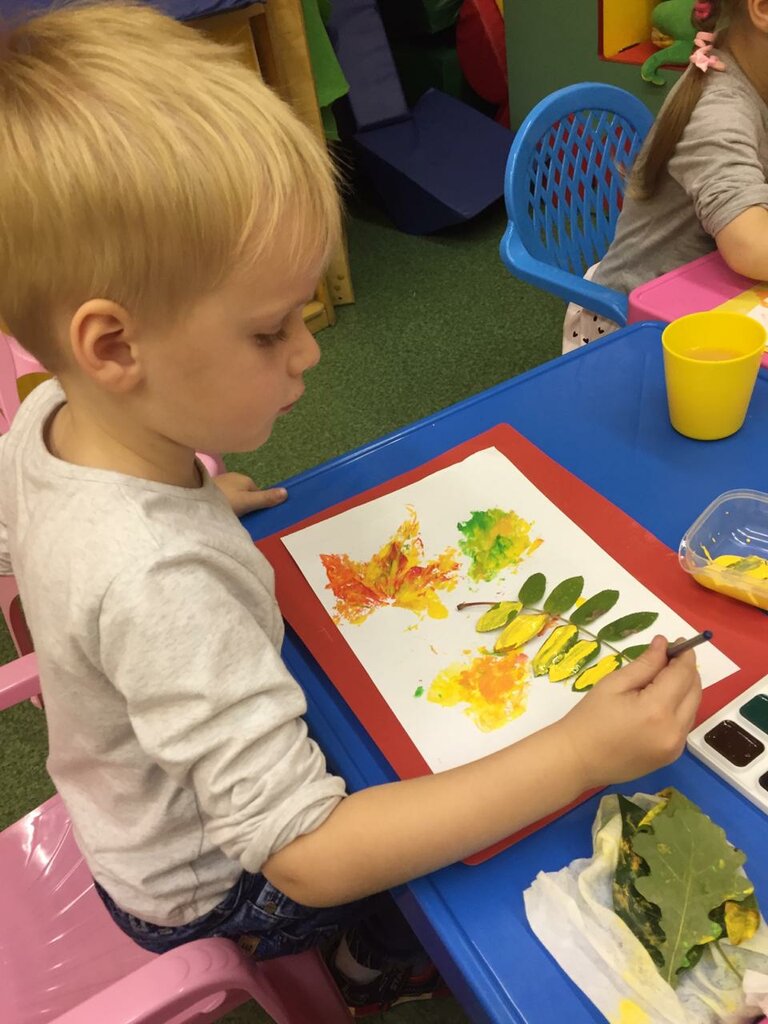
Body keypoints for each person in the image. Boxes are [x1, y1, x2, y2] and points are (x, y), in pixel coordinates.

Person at [0, 2, 702, 1016]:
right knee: (466, 833)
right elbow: (308, 855)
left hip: (134, 800)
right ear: (113, 348)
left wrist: (193, 498)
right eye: (269, 331)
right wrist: (578, 753)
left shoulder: (54, 414)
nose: (309, 352)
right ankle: (373, 960)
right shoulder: (154, 579)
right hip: (214, 884)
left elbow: (70, 540)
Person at [563, 0, 768, 353]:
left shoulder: (749, 67)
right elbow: (750, 246)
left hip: (707, 298)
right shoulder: (720, 109)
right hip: (627, 327)